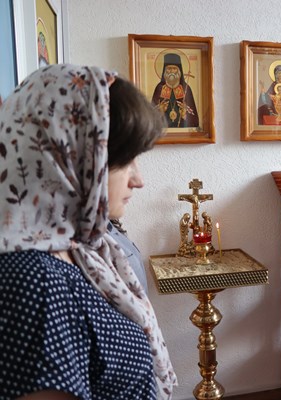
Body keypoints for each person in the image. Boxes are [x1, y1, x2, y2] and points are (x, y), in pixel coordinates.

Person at [0, 64, 177, 399]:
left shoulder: (79, 246)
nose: (138, 180)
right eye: (125, 161)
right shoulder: (35, 283)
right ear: (70, 157)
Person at [151, 52, 199, 128]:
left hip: (182, 131)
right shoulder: (159, 88)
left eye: (174, 69)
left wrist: (185, 114)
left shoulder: (186, 88)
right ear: (165, 71)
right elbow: (150, 119)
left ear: (179, 71)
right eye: (169, 69)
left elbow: (195, 122)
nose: (171, 72)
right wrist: (159, 112)